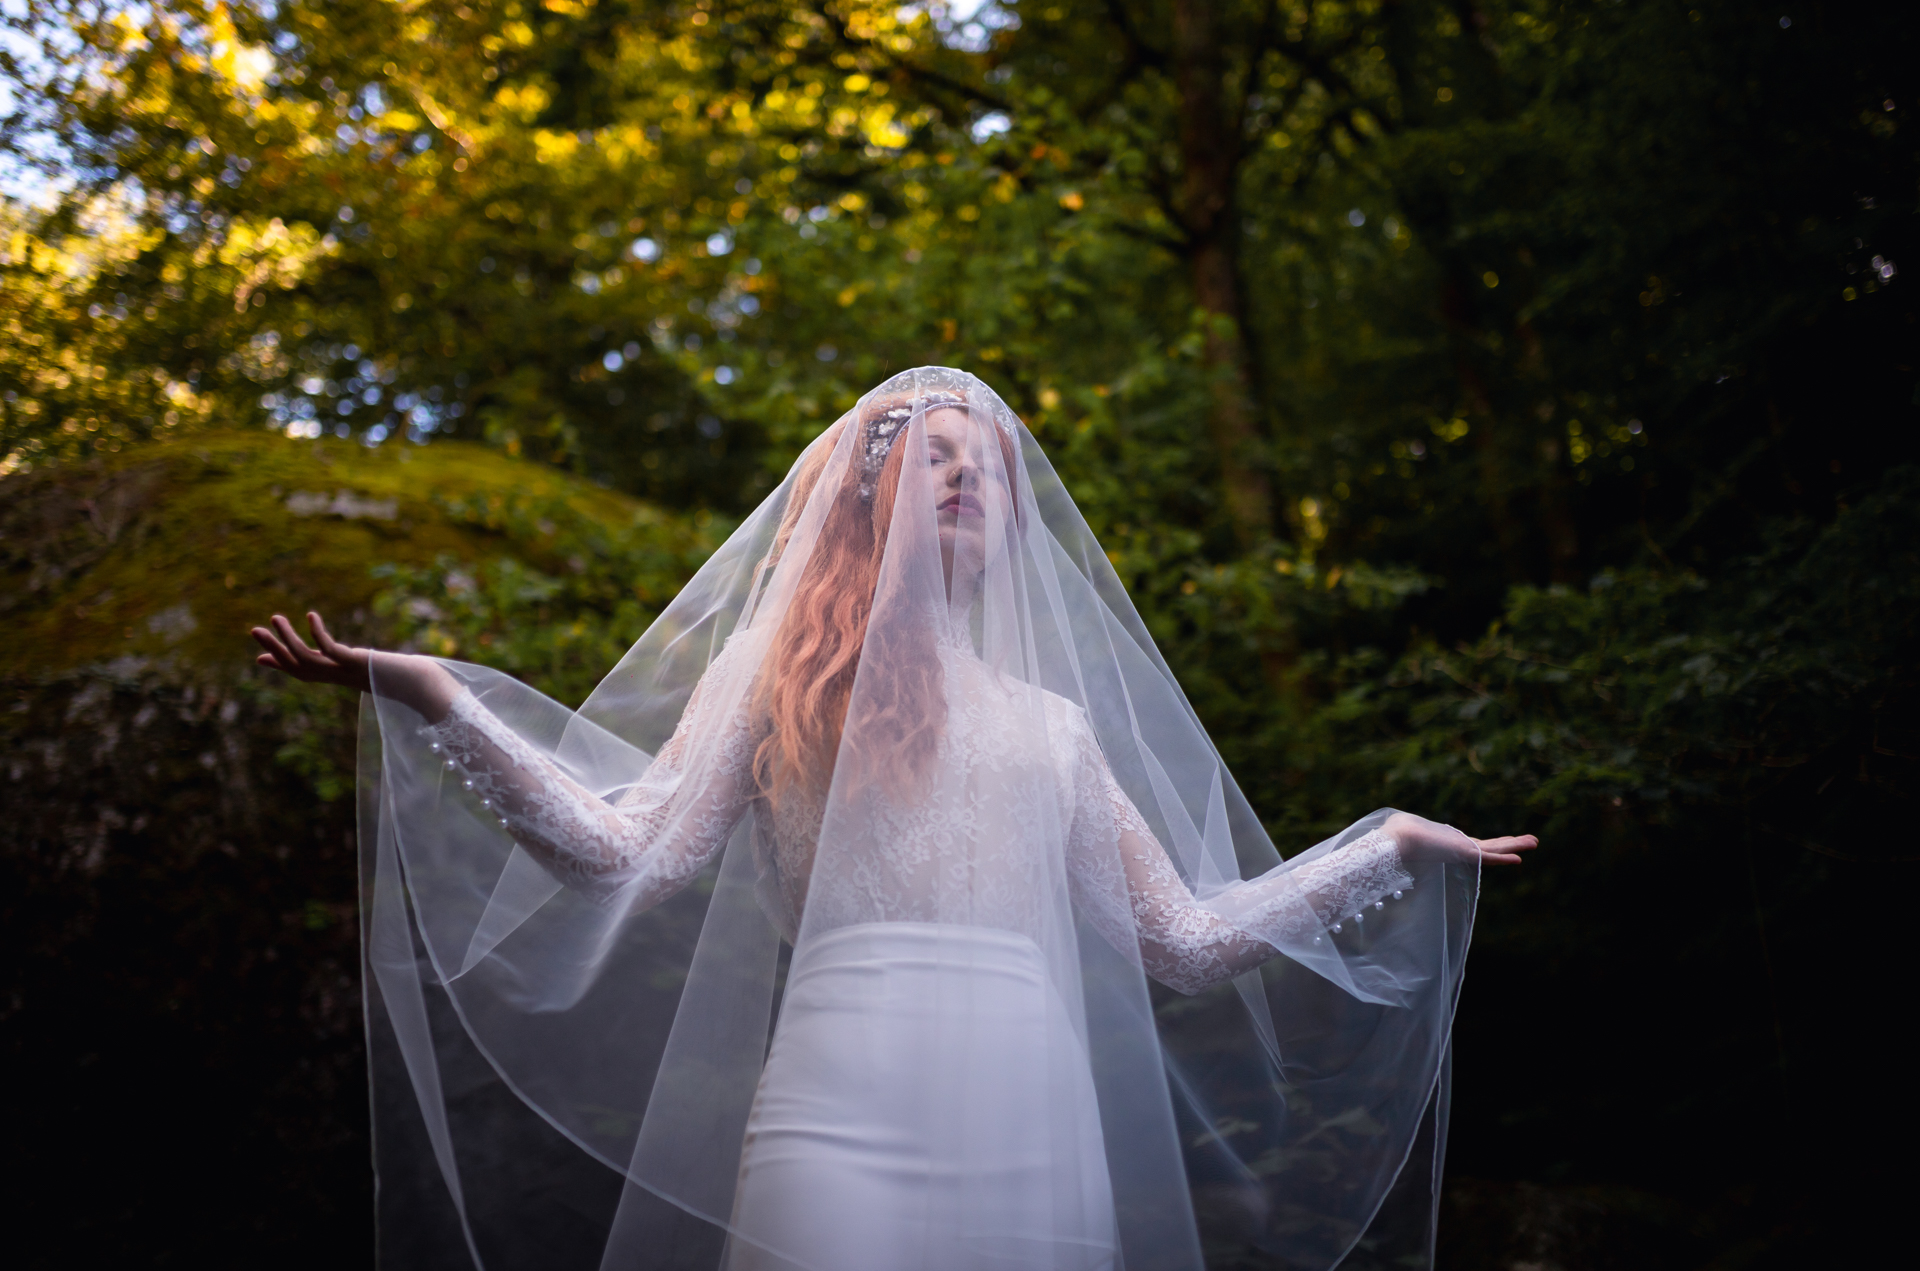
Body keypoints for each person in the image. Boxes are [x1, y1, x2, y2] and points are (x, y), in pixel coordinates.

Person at [253, 368, 1534, 1271]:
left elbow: (1184, 941)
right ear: (866, 491)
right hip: (836, 1105)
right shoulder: (774, 674)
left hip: (1033, 1116)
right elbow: (620, 855)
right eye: (938, 454)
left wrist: (1389, 846)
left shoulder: (1054, 728)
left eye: (991, 467)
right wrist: (436, 697)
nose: (970, 477)